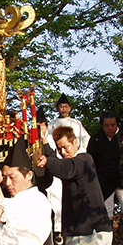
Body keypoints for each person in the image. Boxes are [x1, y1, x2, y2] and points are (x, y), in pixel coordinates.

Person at [86, 112, 123, 239]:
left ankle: (122, 228)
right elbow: (90, 160)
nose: (110, 128)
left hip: (122, 177)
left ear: (117, 124)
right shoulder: (96, 139)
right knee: (107, 211)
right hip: (103, 178)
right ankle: (109, 234)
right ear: (102, 126)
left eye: (112, 125)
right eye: (107, 125)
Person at [45, 93, 91, 237]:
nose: (63, 109)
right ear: (57, 108)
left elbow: (85, 140)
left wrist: (78, 156)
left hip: (75, 162)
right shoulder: (52, 125)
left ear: (69, 108)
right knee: (56, 195)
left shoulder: (76, 124)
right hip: (59, 163)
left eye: (66, 106)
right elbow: (48, 142)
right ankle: (57, 229)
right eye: (61, 107)